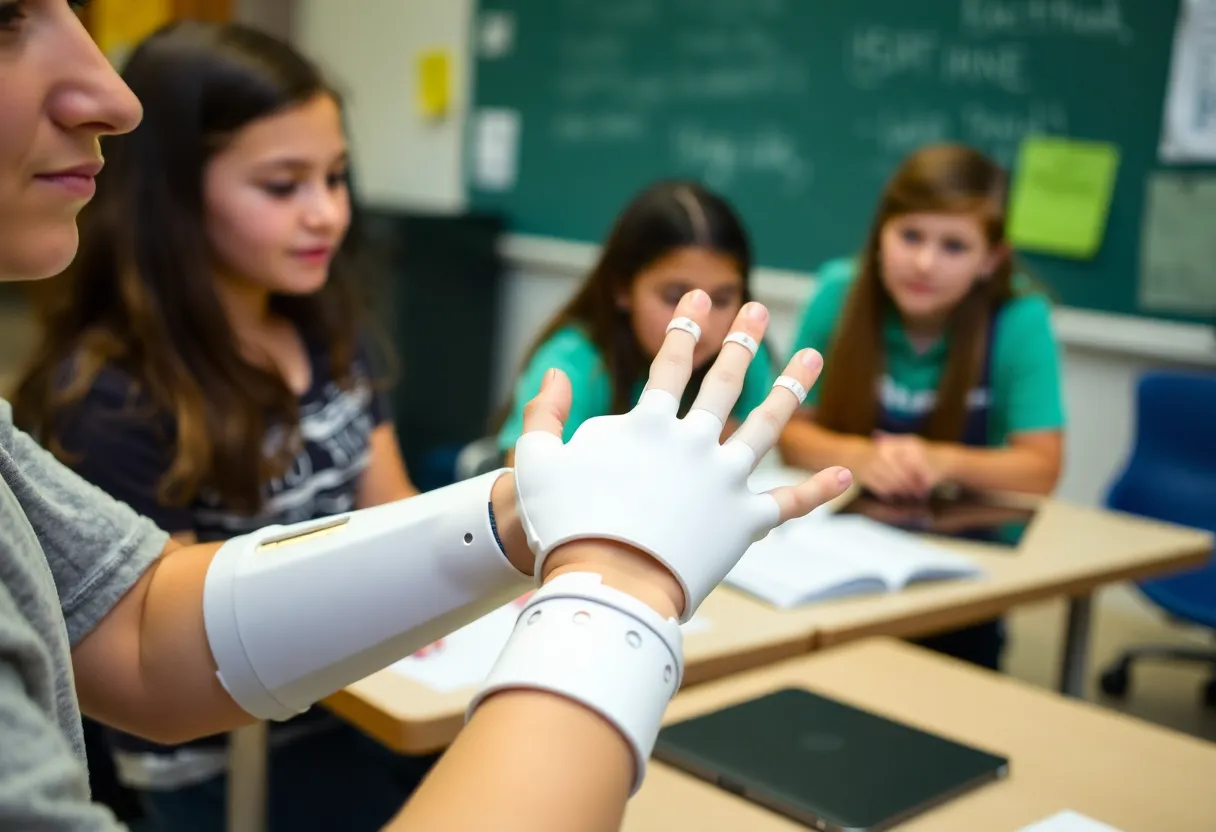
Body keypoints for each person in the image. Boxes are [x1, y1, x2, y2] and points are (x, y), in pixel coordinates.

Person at [0, 4, 851, 830]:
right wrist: (623, 582)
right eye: (8, 14)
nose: (114, 98)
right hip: (239, 766)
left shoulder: (327, 334)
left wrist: (523, 513)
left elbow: (143, 624)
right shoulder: (109, 389)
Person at [9, 21, 427, 830]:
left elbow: (395, 506)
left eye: (337, 179)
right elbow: (162, 633)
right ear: (175, 194)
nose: (326, 216)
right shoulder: (111, 395)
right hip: (220, 751)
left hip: (346, 708)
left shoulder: (331, 333)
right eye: (282, 186)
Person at [778, 143, 1065, 670]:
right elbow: (790, 432)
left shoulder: (1019, 318)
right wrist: (862, 457)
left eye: (954, 245)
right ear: (881, 234)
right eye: (910, 236)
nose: (925, 263)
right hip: (833, 556)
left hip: (956, 570)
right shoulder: (838, 292)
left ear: (991, 259)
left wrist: (939, 461)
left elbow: (1041, 468)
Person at [496, 180, 776, 463]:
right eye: (675, 296)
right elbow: (526, 485)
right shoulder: (574, 363)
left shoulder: (743, 358)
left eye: (722, 299)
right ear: (622, 288)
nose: (699, 321)